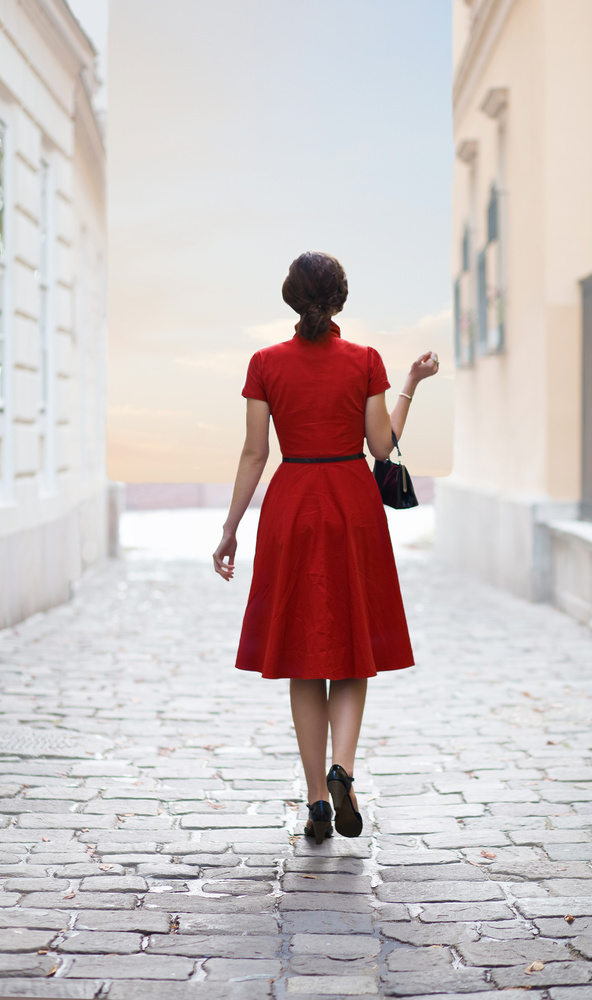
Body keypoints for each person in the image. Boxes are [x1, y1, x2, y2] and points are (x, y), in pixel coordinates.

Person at [213, 251, 439, 844]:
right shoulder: (365, 360)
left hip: (293, 505)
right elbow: (383, 447)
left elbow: (255, 453)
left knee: (301, 653)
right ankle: (344, 768)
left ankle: (316, 799)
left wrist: (231, 527)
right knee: (351, 644)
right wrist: (410, 383)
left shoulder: (265, 363)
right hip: (351, 503)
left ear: (291, 297)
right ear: (341, 299)